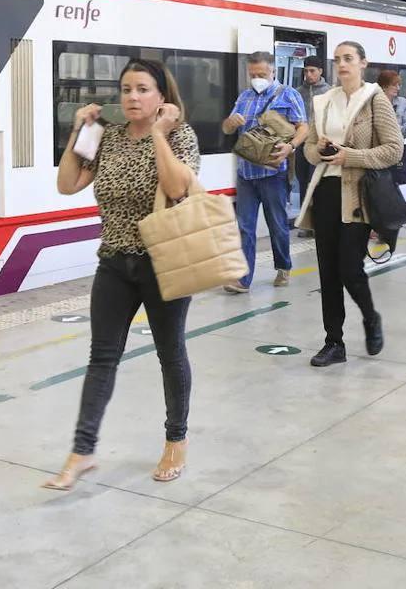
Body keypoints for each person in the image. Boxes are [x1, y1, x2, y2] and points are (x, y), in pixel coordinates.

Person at [45, 58, 200, 490]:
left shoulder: (181, 136)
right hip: (114, 260)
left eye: (142, 89)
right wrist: (78, 131)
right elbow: (68, 183)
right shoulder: (106, 136)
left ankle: (176, 439)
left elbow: (176, 188)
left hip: (162, 261)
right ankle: (82, 450)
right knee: (102, 357)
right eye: (126, 89)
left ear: (162, 97)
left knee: (170, 354)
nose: (131, 97)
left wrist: (158, 134)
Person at [295, 41, 402, 367]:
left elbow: (394, 149)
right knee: (327, 272)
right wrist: (322, 149)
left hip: (357, 197)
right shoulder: (324, 101)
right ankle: (334, 342)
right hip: (325, 193)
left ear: (362, 63)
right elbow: (309, 149)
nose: (342, 64)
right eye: (338, 59)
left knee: (349, 269)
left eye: (348, 58)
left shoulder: (374, 99)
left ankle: (371, 317)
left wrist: (350, 155)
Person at [222, 52, 308, 292]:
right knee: (244, 226)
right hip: (246, 173)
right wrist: (231, 123)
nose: (257, 78)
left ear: (273, 72)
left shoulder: (289, 95)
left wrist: (291, 146)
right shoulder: (244, 97)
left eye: (261, 74)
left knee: (277, 224)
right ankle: (243, 278)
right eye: (253, 75)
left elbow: (303, 127)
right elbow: (227, 127)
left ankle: (283, 267)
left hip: (274, 172)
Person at [295, 55, 331, 237]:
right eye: (306, 71)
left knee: (317, 182)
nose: (308, 75)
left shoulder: (329, 92)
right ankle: (305, 222)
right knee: (303, 182)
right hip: (301, 145)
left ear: (320, 72)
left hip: (319, 145)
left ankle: (319, 222)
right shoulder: (298, 92)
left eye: (312, 71)